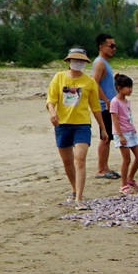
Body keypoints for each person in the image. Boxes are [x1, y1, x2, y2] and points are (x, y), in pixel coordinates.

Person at [46, 48, 107, 211]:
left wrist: (103, 128)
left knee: (79, 158)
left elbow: (95, 107)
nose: (78, 63)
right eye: (75, 60)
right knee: (67, 161)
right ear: (69, 61)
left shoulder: (89, 82)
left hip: (82, 125)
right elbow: (51, 100)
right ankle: (74, 189)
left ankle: (79, 198)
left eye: (81, 61)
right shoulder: (59, 78)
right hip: (62, 124)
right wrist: (52, 112)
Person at [109, 74, 138, 195]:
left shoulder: (127, 101)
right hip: (122, 133)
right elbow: (115, 120)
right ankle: (123, 184)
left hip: (131, 131)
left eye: (131, 87)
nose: (130, 90)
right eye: (127, 87)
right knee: (126, 159)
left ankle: (130, 178)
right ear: (119, 87)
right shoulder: (115, 102)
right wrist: (120, 136)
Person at [92, 33, 120, 180]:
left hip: (109, 106)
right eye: (111, 46)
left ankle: (105, 167)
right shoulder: (100, 62)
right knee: (105, 137)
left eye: (114, 46)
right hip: (104, 107)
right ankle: (100, 169)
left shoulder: (104, 63)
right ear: (101, 47)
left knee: (107, 137)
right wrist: (106, 101)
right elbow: (94, 83)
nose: (114, 49)